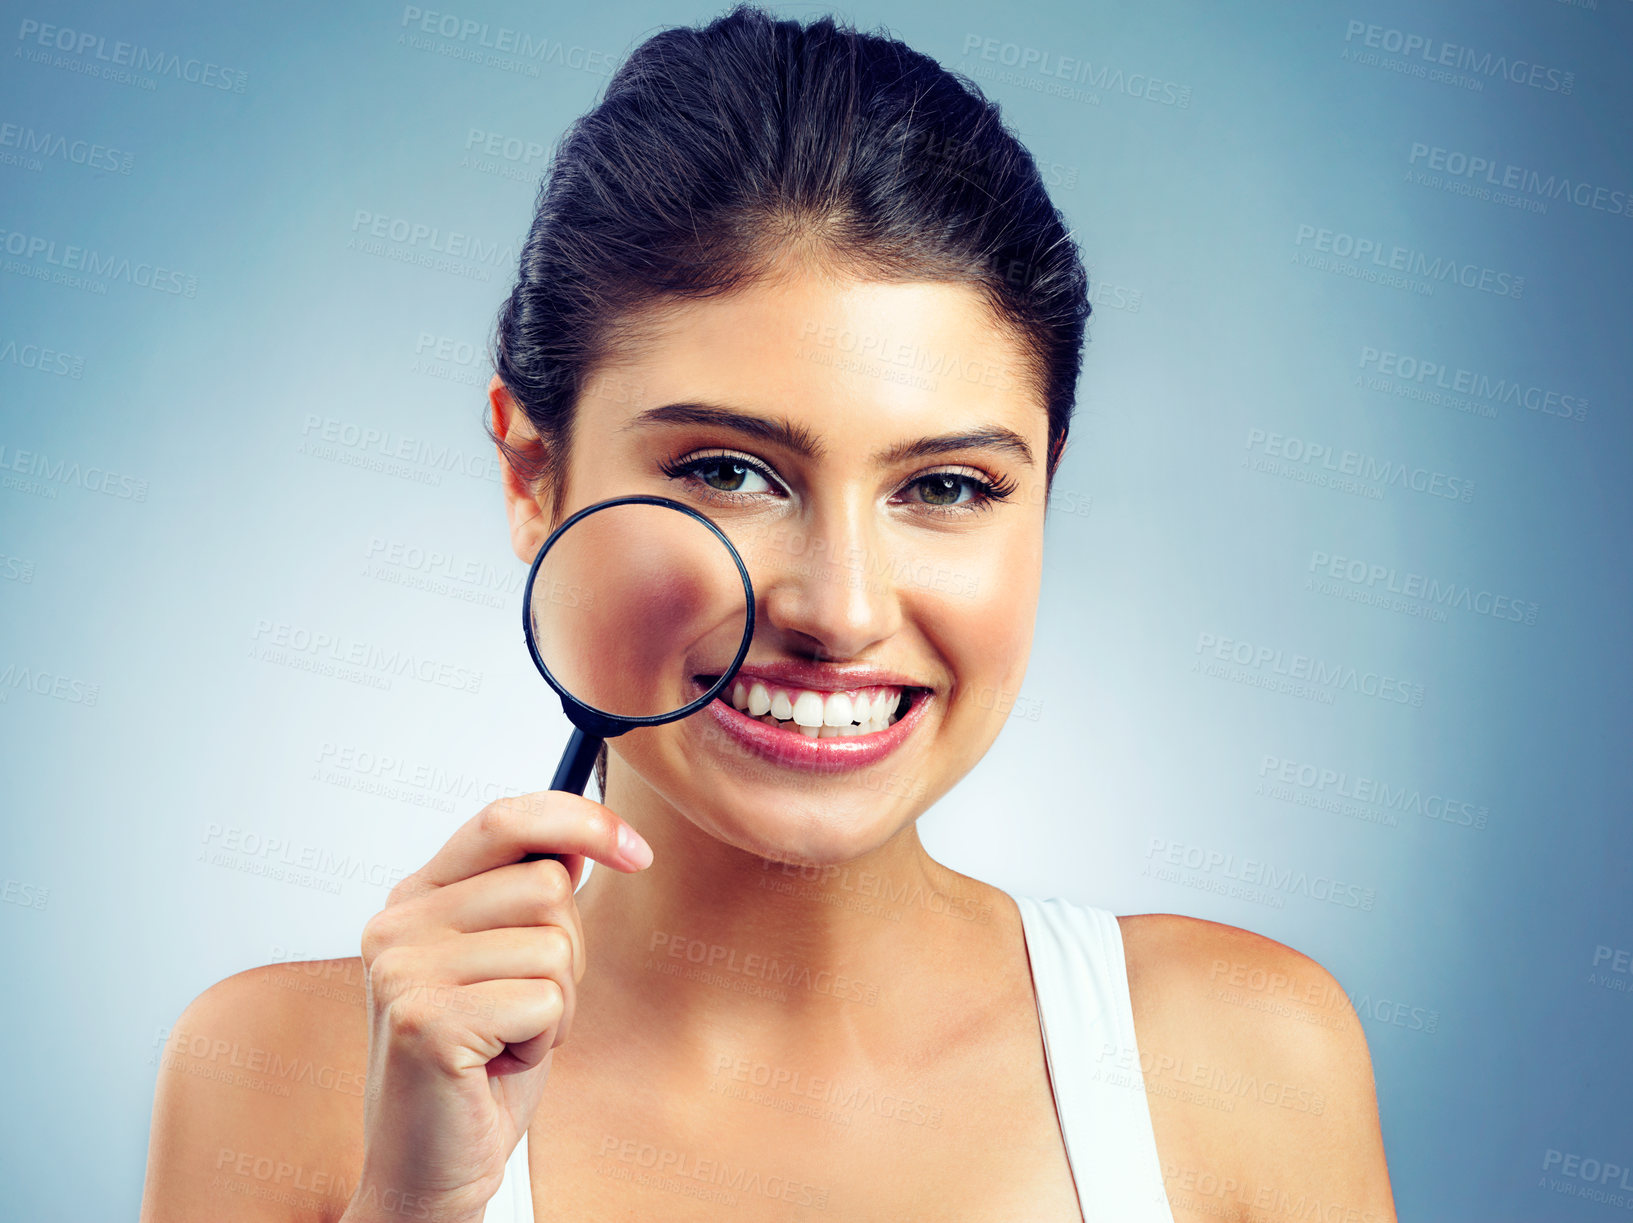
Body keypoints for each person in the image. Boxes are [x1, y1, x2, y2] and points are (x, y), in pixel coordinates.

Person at [139, 6, 1397, 1221]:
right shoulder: (281, 1080)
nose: (838, 609)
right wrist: (416, 1205)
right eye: (729, 472)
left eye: (946, 485)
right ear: (533, 474)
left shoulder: (1250, 1061)